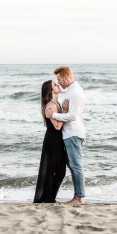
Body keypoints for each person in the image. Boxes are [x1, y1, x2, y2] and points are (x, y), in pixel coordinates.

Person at [46, 65, 86, 204]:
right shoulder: (71, 91)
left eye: (59, 79)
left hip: (73, 133)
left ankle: (79, 197)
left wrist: (54, 114)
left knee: (76, 166)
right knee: (73, 165)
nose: (59, 82)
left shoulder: (75, 92)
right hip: (69, 133)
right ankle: (78, 196)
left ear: (66, 77)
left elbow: (73, 116)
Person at [33, 80, 68, 203]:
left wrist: (62, 111)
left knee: (59, 171)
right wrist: (65, 112)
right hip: (53, 140)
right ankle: (49, 198)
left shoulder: (56, 104)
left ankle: (50, 197)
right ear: (51, 90)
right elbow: (58, 126)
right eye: (54, 84)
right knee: (54, 170)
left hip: (57, 140)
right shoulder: (50, 106)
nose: (58, 85)